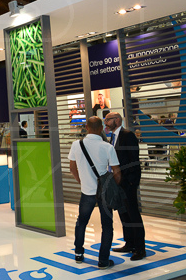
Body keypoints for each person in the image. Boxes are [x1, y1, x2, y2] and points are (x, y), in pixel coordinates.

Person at [68, 116, 121, 270]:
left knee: (81, 223)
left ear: (86, 128)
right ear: (101, 129)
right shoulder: (107, 147)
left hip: (87, 192)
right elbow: (117, 172)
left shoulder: (76, 145)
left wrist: (81, 181)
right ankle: (103, 261)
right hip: (104, 192)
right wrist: (114, 186)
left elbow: (72, 168)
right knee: (107, 226)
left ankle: (78, 254)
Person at [105, 112, 146, 261]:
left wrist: (129, 181)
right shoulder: (112, 137)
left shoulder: (127, 135)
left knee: (133, 214)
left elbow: (133, 160)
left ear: (117, 120)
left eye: (107, 120)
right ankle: (129, 243)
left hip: (127, 182)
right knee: (124, 214)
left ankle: (140, 248)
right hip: (117, 182)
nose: (105, 123)